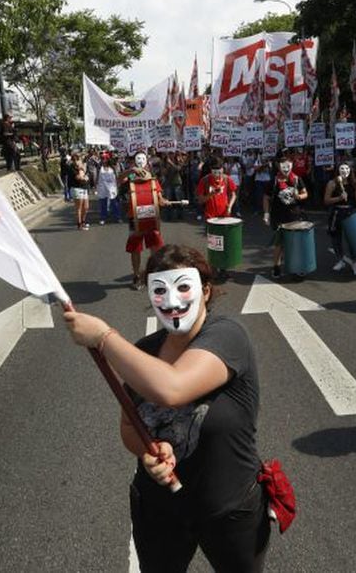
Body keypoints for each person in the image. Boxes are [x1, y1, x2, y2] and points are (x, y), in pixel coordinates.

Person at [63, 244, 271, 572]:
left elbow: (172, 388)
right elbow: (130, 426)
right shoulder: (144, 354)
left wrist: (104, 337)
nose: (172, 302)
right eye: (159, 291)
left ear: (206, 291)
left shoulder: (227, 336)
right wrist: (148, 451)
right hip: (160, 511)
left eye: (183, 287)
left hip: (230, 510)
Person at [121, 152, 174, 289]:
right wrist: (129, 171)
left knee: (155, 247)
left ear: (147, 162)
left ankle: (153, 274)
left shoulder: (153, 180)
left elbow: (159, 198)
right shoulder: (130, 178)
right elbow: (118, 180)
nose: (141, 162)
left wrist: (164, 201)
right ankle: (137, 276)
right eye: (137, 159)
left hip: (152, 217)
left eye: (143, 159)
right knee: (135, 249)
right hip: (135, 218)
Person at [264, 153, 309, 279]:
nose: (286, 168)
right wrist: (266, 214)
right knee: (279, 243)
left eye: (288, 165)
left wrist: (299, 196)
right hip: (278, 217)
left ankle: (297, 266)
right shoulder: (273, 181)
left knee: (295, 243)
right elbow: (266, 198)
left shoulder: (296, 179)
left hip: (294, 216)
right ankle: (276, 267)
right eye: (283, 165)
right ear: (279, 166)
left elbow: (305, 193)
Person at [323, 162, 356, 275]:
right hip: (337, 213)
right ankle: (340, 260)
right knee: (336, 239)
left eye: (347, 169)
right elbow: (326, 200)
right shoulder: (332, 183)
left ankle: (355, 262)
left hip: (350, 212)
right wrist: (339, 198)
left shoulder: (353, 183)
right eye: (342, 169)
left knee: (352, 239)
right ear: (338, 170)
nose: (345, 171)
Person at [196, 157, 237, 222]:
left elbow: (233, 195)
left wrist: (229, 207)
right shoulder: (204, 181)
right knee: (212, 232)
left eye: (219, 173)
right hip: (210, 217)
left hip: (225, 216)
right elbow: (200, 200)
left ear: (222, 170)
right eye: (214, 173)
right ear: (211, 170)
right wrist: (211, 194)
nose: (217, 176)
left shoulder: (227, 179)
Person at [159, 153, 185, 222]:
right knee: (168, 200)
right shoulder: (164, 162)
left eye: (172, 153)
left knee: (179, 199)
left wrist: (171, 163)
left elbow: (179, 169)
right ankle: (168, 215)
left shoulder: (179, 160)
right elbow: (164, 172)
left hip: (177, 183)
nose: (171, 155)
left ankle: (180, 214)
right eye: (169, 153)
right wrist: (167, 165)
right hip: (168, 183)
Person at [96, 155, 121, 224]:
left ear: (108, 159)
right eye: (102, 158)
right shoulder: (99, 167)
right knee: (103, 203)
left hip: (112, 187)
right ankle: (103, 218)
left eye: (105, 158)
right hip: (102, 187)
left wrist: (118, 185)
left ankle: (117, 217)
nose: (103, 160)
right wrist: (96, 185)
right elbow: (97, 176)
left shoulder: (112, 167)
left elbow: (116, 177)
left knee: (114, 203)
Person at [70, 153, 91, 230]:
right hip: (77, 188)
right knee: (79, 207)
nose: (76, 161)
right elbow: (79, 177)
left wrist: (83, 169)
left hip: (84, 187)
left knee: (86, 207)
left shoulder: (83, 167)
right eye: (74, 160)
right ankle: (80, 224)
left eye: (77, 159)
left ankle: (83, 221)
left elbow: (87, 175)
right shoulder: (72, 168)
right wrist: (81, 172)